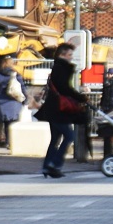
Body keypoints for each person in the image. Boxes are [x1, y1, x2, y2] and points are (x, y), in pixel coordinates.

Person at [35, 42, 88, 178]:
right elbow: (64, 88)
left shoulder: (57, 67)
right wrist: (80, 97)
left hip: (53, 108)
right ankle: (55, 164)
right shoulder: (61, 68)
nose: (71, 58)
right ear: (62, 55)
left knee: (55, 139)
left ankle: (47, 166)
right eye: (69, 55)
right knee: (68, 136)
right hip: (58, 109)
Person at [0, 54, 27, 148]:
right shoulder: (16, 74)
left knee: (0, 121)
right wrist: (25, 100)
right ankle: (10, 141)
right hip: (14, 101)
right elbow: (23, 88)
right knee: (12, 122)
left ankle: (2, 140)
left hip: (1, 101)